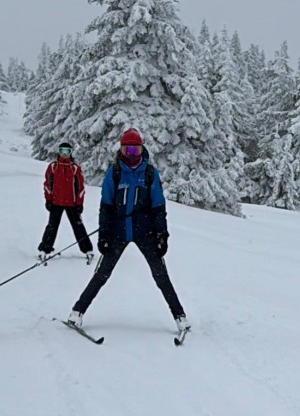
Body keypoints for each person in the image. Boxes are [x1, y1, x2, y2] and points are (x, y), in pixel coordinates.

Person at [68, 128, 189, 336]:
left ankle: (180, 317)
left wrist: (162, 235)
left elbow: (158, 206)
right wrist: (104, 235)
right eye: (127, 150)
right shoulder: (114, 172)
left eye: (135, 149)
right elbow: (106, 206)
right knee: (102, 274)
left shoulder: (149, 173)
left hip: (145, 232)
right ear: (121, 150)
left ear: (142, 149)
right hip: (118, 232)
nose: (132, 154)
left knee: (161, 276)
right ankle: (77, 312)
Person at [39, 143, 93, 260]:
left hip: (72, 204)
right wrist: (48, 200)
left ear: (70, 153)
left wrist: (79, 203)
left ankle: (87, 249)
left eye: (67, 151)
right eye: (62, 151)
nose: (64, 154)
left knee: (78, 226)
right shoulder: (53, 167)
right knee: (52, 226)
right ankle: (45, 249)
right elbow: (47, 185)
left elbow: (80, 187)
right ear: (58, 152)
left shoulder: (75, 168)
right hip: (56, 203)